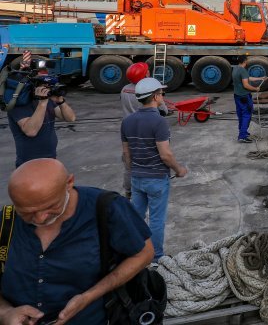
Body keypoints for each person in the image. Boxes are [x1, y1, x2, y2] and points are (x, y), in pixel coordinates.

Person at [0, 159, 153, 324]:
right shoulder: (5, 221)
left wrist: (88, 297)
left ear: (69, 183)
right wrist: (6, 312)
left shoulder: (107, 208)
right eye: (27, 212)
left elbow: (144, 253)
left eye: (50, 207)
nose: (40, 218)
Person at [121, 77, 188, 262]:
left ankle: (133, 251)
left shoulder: (127, 122)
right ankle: (157, 257)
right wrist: (179, 169)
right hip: (157, 178)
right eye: (161, 93)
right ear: (156, 96)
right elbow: (165, 154)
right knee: (156, 221)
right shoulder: (159, 122)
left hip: (136, 177)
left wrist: (134, 170)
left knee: (135, 217)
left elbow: (126, 154)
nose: (163, 96)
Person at [6, 64, 77, 168]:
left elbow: (71, 118)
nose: (47, 88)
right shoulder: (18, 105)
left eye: (48, 85)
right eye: (44, 84)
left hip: (50, 159)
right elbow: (31, 131)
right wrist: (42, 103)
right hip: (28, 163)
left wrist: (61, 102)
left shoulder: (47, 100)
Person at [119, 62, 169, 198]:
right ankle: (151, 187)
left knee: (128, 160)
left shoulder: (124, 89)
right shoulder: (149, 91)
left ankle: (129, 191)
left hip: (129, 130)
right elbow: (163, 111)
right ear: (144, 75)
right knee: (151, 158)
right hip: (147, 129)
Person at [231, 55, 267, 144]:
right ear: (244, 61)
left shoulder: (235, 68)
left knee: (241, 114)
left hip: (237, 96)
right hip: (244, 96)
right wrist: (256, 89)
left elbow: (247, 78)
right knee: (246, 115)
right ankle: (242, 136)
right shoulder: (243, 70)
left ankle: (243, 132)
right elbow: (246, 85)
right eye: (246, 60)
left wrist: (260, 78)